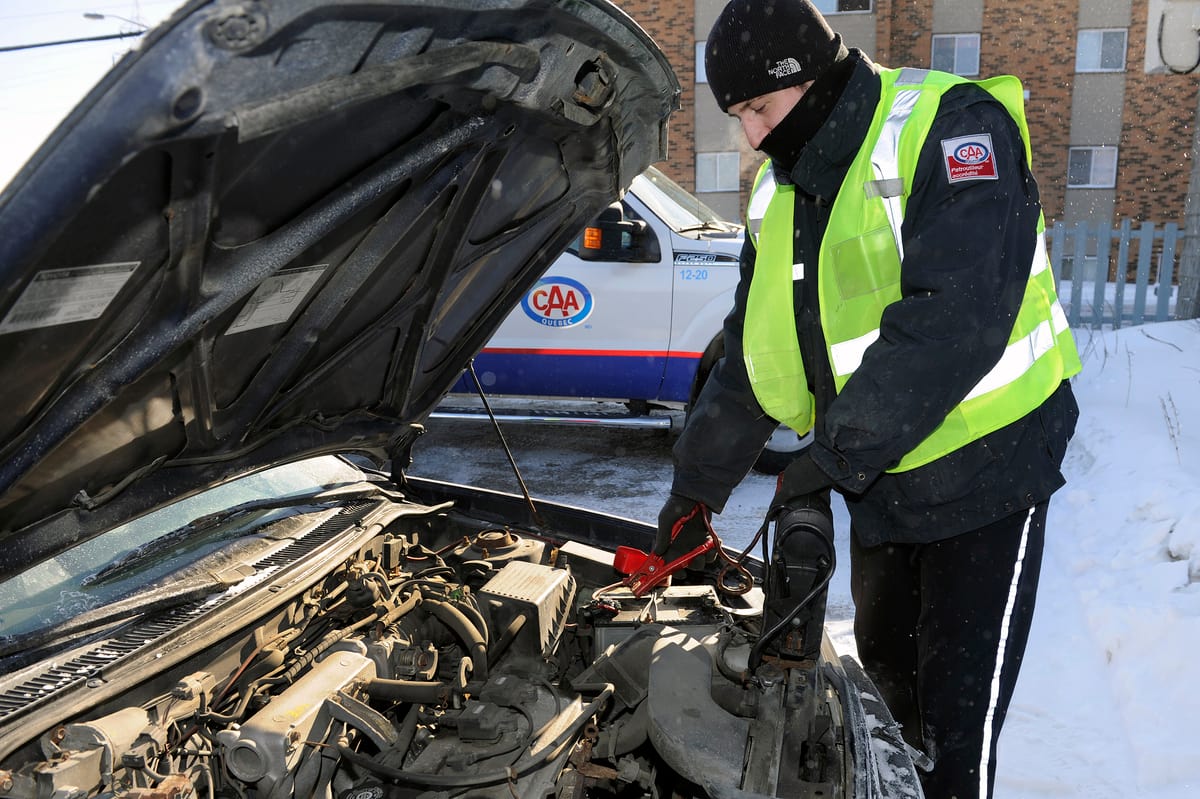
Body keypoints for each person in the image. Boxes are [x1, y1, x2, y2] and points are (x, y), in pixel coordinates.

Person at [653, 1, 1082, 797]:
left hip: (988, 482)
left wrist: (828, 457)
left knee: (955, 742)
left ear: (809, 81)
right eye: (738, 116)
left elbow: (955, 318)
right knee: (883, 720)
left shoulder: (949, 127)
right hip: (886, 490)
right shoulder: (781, 196)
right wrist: (694, 492)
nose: (751, 137)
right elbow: (753, 358)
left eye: (758, 109)